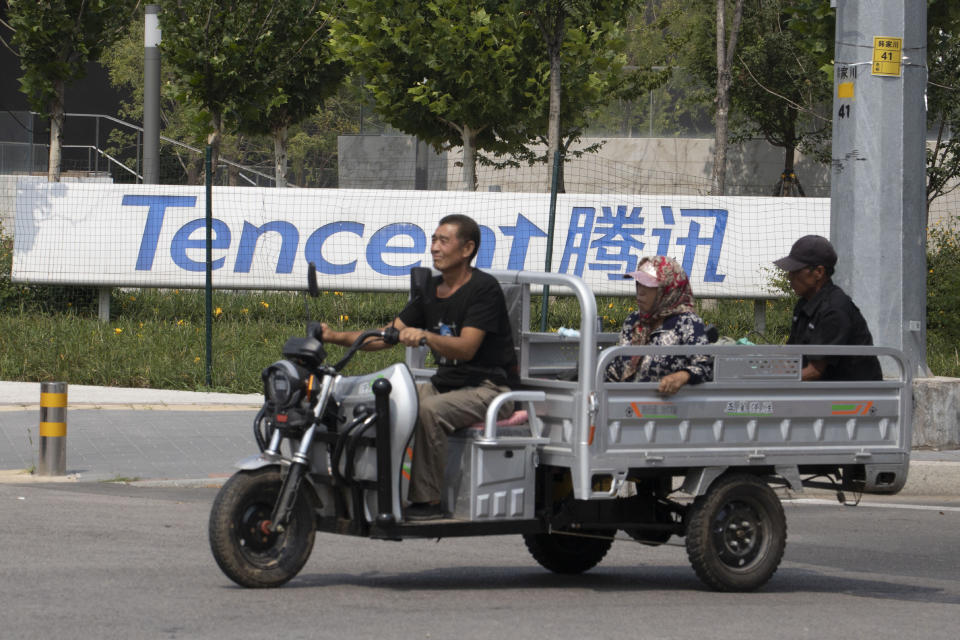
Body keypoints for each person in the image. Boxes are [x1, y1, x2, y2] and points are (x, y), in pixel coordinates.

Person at [321, 214, 517, 521]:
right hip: (446, 386)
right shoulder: (430, 291)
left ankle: (428, 502)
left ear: (467, 249)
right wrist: (333, 336)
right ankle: (376, 488)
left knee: (428, 411)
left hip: (489, 389)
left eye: (443, 241)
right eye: (433, 240)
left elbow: (466, 348)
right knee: (386, 406)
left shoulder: (484, 289)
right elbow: (384, 338)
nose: (435, 248)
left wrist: (426, 336)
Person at [773, 234, 882, 381]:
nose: (789, 277)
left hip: (851, 398)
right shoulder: (804, 304)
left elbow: (814, 372)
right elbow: (791, 357)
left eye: (795, 271)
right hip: (824, 394)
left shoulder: (834, 310)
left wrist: (772, 381)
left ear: (819, 272)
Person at [605, 256, 713, 393]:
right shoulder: (634, 321)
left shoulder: (687, 323)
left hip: (667, 408)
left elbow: (704, 367)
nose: (640, 292)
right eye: (638, 284)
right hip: (626, 405)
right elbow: (616, 367)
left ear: (667, 289)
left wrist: (682, 376)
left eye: (648, 286)